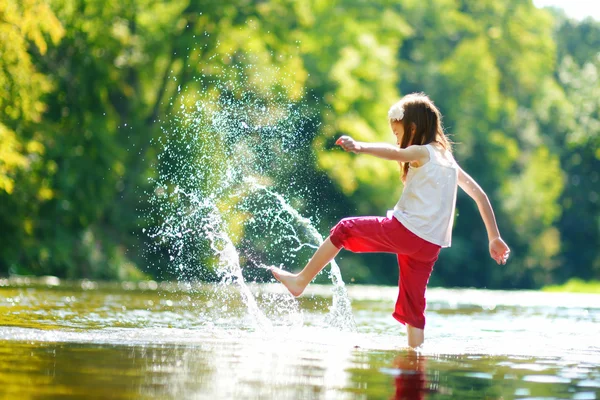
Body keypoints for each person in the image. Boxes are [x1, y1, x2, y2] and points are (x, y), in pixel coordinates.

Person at [270, 92, 510, 348]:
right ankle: (415, 359)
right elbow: (480, 196)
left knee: (344, 229)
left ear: (413, 128)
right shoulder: (448, 159)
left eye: (398, 133)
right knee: (413, 305)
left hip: (407, 231)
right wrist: (494, 237)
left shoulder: (423, 152)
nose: (397, 140)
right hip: (430, 246)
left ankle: (300, 281)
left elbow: (394, 154)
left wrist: (361, 147)